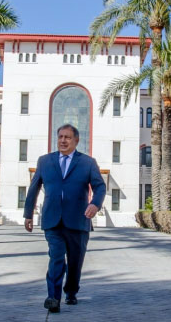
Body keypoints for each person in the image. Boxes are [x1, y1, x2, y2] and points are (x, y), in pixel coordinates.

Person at [24, 124, 106, 313]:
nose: (63, 140)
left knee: (75, 262)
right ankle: (53, 297)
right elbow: (34, 187)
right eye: (60, 136)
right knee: (56, 257)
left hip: (79, 220)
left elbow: (100, 186)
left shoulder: (87, 162)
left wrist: (95, 204)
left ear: (76, 140)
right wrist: (28, 213)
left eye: (67, 137)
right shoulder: (45, 161)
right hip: (52, 220)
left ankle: (71, 291)